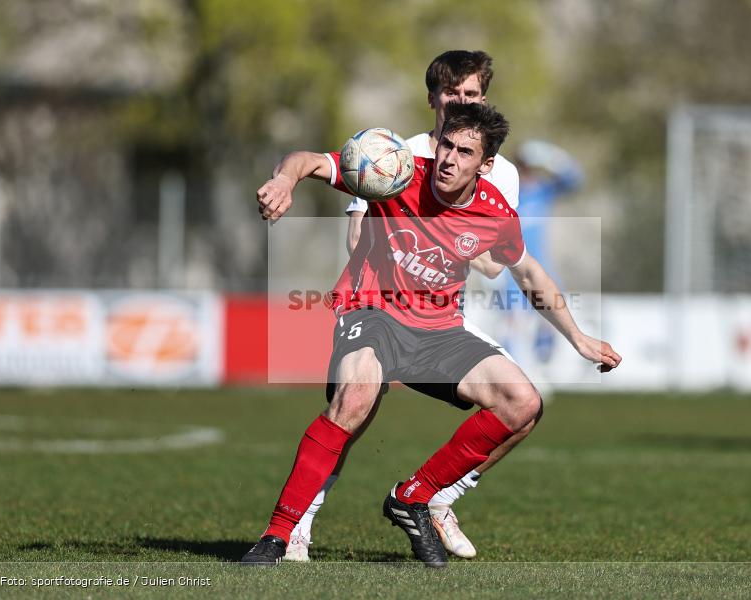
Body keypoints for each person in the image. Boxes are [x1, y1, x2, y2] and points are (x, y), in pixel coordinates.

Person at [242, 102, 621, 568]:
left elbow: (527, 273)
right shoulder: (397, 175)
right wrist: (285, 180)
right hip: (373, 311)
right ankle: (277, 536)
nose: (449, 159)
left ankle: (413, 496)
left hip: (438, 328)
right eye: (446, 145)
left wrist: (578, 338)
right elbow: (308, 161)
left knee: (522, 401)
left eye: (465, 152)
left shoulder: (494, 212)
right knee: (355, 397)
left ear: (485, 165)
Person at [287, 50, 523, 562]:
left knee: (520, 402)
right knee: (353, 411)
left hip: (441, 317)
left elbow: (494, 263)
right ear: (433, 97)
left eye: (472, 94)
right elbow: (357, 235)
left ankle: (439, 497)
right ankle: (298, 524)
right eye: (452, 92)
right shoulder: (393, 152)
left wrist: (455, 241)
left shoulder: (502, 171)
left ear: (484, 99)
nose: (461, 101)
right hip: (378, 308)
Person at [494, 140, 583, 390]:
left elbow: (575, 180)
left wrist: (553, 157)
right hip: (511, 270)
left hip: (541, 267)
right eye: (523, 167)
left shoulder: (542, 191)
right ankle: (518, 378)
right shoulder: (507, 194)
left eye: (531, 167)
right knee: (514, 324)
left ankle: (541, 369)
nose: (527, 173)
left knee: (552, 320)